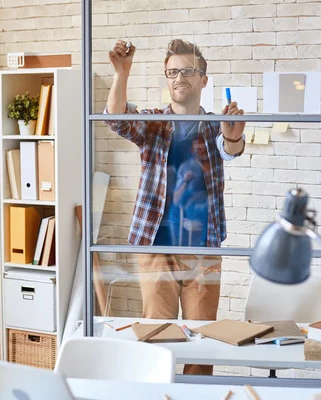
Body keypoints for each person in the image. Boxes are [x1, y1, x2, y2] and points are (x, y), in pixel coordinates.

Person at [104, 39, 246, 375]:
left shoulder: (214, 124)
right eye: (171, 72)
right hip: (156, 246)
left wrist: (234, 135)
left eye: (186, 71)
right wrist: (121, 73)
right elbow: (115, 120)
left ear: (202, 80)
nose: (178, 77)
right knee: (157, 338)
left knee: (203, 342)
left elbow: (230, 150)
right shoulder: (154, 122)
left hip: (203, 249)